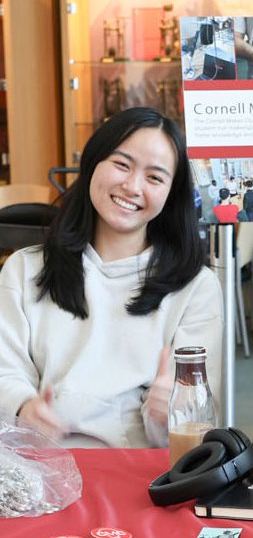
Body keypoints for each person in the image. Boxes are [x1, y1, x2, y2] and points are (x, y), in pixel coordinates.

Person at [0, 107, 223, 448]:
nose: (132, 186)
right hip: (39, 466)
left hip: (140, 473)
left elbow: (198, 424)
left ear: (170, 196)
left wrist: (171, 412)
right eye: (121, 164)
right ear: (92, 164)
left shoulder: (195, 287)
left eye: (154, 177)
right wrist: (24, 407)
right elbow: (6, 370)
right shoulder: (24, 269)